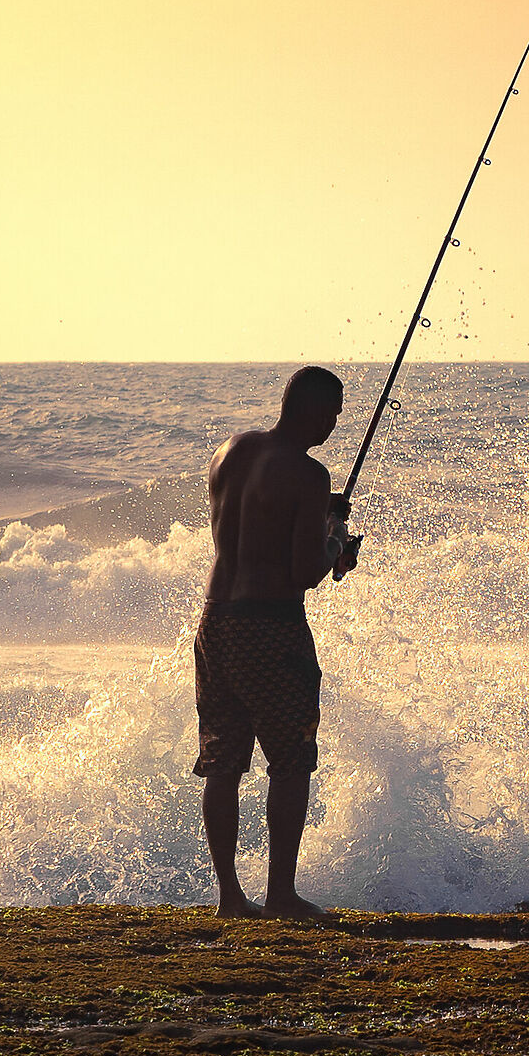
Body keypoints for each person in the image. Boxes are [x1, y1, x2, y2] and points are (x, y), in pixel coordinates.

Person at [193, 365, 360, 917]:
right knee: (290, 762)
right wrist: (335, 540)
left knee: (223, 761)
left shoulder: (230, 452)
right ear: (310, 408)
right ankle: (281, 896)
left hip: (216, 622)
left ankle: (229, 899)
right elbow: (303, 571)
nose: (335, 425)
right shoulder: (309, 476)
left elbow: (259, 530)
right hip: (271, 628)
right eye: (333, 413)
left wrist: (318, 524)